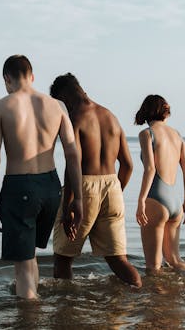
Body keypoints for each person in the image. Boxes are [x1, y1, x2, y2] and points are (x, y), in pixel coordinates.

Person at [0, 55, 83, 299]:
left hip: (19, 187)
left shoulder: (0, 107)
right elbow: (72, 152)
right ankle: (33, 304)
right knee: (30, 257)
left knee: (23, 267)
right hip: (50, 187)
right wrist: (78, 198)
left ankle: (29, 317)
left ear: (7, 79)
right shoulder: (57, 106)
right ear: (32, 76)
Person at [49, 73, 142, 287]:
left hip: (84, 187)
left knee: (63, 260)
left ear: (63, 97)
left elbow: (74, 164)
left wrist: (68, 205)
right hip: (112, 187)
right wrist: (114, 191)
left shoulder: (75, 118)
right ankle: (138, 294)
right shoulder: (111, 117)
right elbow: (128, 165)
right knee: (118, 260)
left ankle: (67, 312)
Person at [134, 95, 185, 275]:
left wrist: (141, 201)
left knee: (153, 266)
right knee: (175, 260)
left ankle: (158, 302)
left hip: (156, 199)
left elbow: (150, 169)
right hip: (175, 202)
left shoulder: (147, 134)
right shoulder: (177, 135)